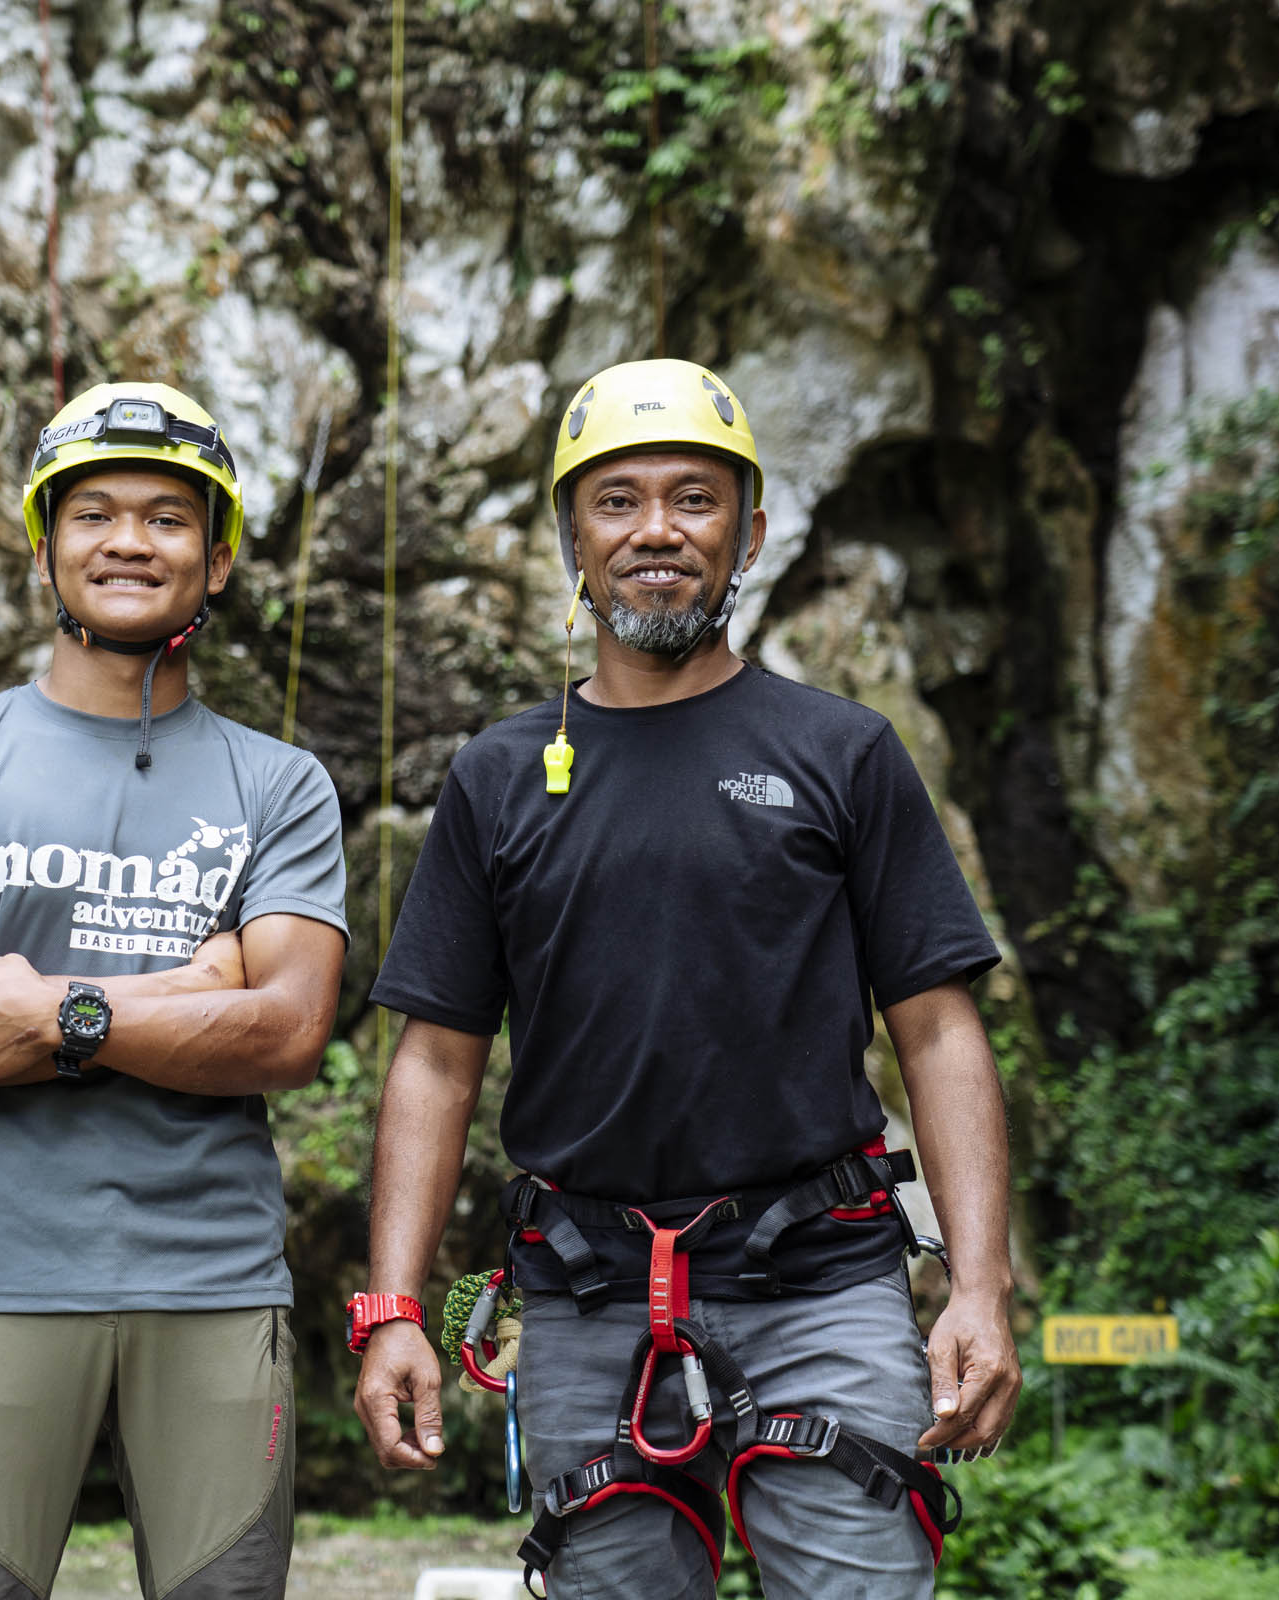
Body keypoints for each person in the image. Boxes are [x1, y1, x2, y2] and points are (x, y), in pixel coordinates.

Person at [349, 358, 1021, 1599]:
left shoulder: (842, 754)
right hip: (586, 1290)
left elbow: (936, 1031)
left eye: (694, 499)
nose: (655, 530)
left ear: (749, 533)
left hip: (819, 1276)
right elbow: (436, 1057)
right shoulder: (497, 777)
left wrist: (978, 1286)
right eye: (615, 501)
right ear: (571, 539)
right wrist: (391, 1303)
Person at [0, 381, 349, 1600]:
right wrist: (193, 984)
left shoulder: (278, 785)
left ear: (218, 559)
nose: (129, 541)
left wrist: (54, 1011)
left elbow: (288, 1033)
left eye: (168, 518)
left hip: (215, 1281)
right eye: (93, 513)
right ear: (43, 547)